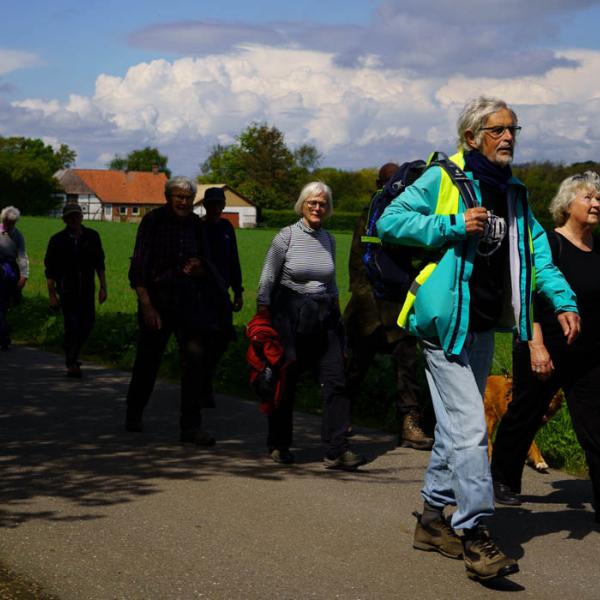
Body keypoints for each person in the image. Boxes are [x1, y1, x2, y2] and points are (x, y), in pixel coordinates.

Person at [376, 96, 580, 581]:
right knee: (470, 430)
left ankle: (430, 520)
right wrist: (450, 224)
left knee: (454, 430)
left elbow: (537, 255)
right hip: (444, 324)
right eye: (497, 130)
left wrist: (564, 298)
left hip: (485, 324)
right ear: (471, 137)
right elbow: (391, 221)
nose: (508, 137)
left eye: (513, 129)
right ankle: (475, 533)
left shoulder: (513, 194)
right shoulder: (444, 179)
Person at [492, 172, 600, 521]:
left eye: (599, 199)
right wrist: (536, 345)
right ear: (567, 204)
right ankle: (501, 480)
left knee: (595, 425)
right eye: (588, 197)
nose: (596, 203)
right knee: (525, 414)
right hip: (545, 347)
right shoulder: (548, 245)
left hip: (588, 354)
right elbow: (527, 298)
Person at [256, 181, 365, 470]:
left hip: (325, 315)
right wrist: (263, 313)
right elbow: (267, 277)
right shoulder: (286, 237)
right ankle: (279, 444)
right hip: (290, 316)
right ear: (302, 205)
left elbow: (331, 281)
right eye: (312, 203)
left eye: (323, 204)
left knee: (336, 379)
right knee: (286, 380)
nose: (318, 208)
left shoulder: (329, 239)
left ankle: (336, 449)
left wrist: (338, 314)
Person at [126, 176, 227, 445]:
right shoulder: (153, 221)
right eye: (178, 196)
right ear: (167, 197)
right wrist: (146, 305)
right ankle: (134, 413)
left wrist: (199, 268)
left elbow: (208, 265)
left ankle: (191, 427)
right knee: (148, 361)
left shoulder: (196, 224)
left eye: (188, 198)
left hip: (189, 301)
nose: (183, 202)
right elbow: (138, 266)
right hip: (157, 300)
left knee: (194, 363)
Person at [344, 163, 433, 450]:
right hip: (367, 309)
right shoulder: (367, 216)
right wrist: (366, 307)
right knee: (355, 368)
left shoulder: (407, 217)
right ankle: (340, 417)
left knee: (407, 369)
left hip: (400, 307)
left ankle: (410, 424)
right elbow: (357, 266)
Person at [45, 203, 107, 377]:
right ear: (65, 219)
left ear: (81, 217)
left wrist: (103, 287)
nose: (74, 219)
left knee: (88, 323)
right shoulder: (57, 240)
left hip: (87, 289)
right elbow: (50, 270)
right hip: (67, 290)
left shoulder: (92, 237)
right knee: (72, 325)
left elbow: (100, 264)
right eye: (70, 217)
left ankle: (72, 351)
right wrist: (52, 295)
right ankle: (72, 361)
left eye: (77, 216)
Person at [199, 186, 243, 405]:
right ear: (205, 206)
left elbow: (233, 259)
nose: (216, 208)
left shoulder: (227, 228)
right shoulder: (198, 228)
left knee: (222, 340)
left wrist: (238, 289)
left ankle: (205, 379)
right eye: (212, 204)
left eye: (219, 204)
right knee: (203, 341)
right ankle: (202, 386)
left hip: (222, 295)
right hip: (200, 295)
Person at [0, 206, 29, 350]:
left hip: (9, 272)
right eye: (6, 221)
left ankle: (3, 334)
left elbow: (22, 256)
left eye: (11, 222)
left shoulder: (18, 235)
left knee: (4, 304)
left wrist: (24, 275)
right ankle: (3, 333)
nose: (8, 225)